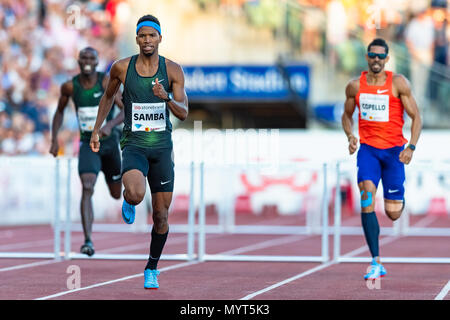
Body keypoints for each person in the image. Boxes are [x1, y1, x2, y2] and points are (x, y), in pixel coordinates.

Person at [89, 15, 188, 289]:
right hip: (134, 144)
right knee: (134, 193)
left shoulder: (173, 71)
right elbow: (108, 96)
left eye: (151, 36)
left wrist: (165, 97)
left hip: (162, 148)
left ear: (159, 38)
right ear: (136, 39)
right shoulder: (121, 68)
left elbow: (184, 111)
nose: (147, 40)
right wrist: (97, 129)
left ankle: (152, 267)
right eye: (142, 36)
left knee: (161, 216)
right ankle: (128, 200)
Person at [341, 38, 422, 281]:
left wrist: (411, 147)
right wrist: (350, 135)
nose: (376, 59)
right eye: (372, 55)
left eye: (380, 56)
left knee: (393, 213)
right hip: (368, 151)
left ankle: (397, 197)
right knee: (366, 197)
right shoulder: (354, 87)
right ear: (367, 57)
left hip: (394, 152)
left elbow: (416, 117)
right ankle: (376, 261)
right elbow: (346, 116)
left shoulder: (398, 83)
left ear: (387, 59)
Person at [50, 47, 125, 257]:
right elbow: (59, 111)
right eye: (84, 57)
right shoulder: (70, 87)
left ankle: (128, 193)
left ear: (98, 60)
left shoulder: (105, 81)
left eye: (92, 57)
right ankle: (88, 241)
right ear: (78, 61)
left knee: (116, 193)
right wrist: (54, 138)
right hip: (88, 144)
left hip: (109, 144)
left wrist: (109, 126)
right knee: (87, 186)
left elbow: (125, 108)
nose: (88, 61)